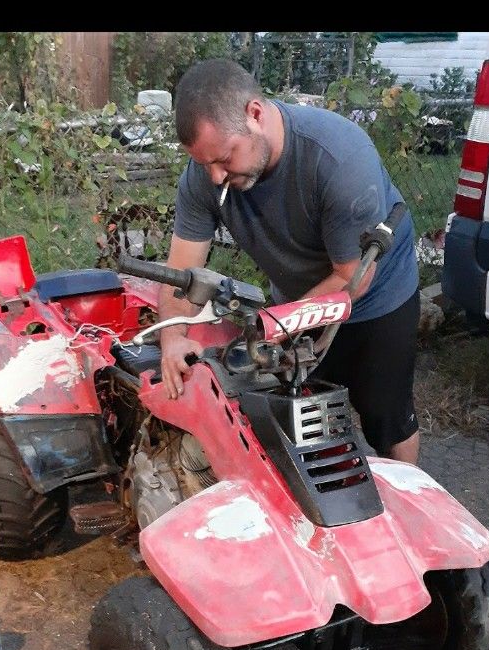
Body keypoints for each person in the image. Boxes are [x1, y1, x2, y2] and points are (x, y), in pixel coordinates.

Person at [159, 58, 420, 464]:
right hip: (296, 300)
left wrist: (272, 326)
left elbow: (353, 279)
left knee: (387, 419)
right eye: (204, 163)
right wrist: (173, 336)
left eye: (224, 158)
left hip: (375, 297)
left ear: (256, 115)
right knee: (294, 416)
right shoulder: (206, 176)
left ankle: (406, 514)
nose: (214, 177)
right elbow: (182, 274)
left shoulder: (337, 158)